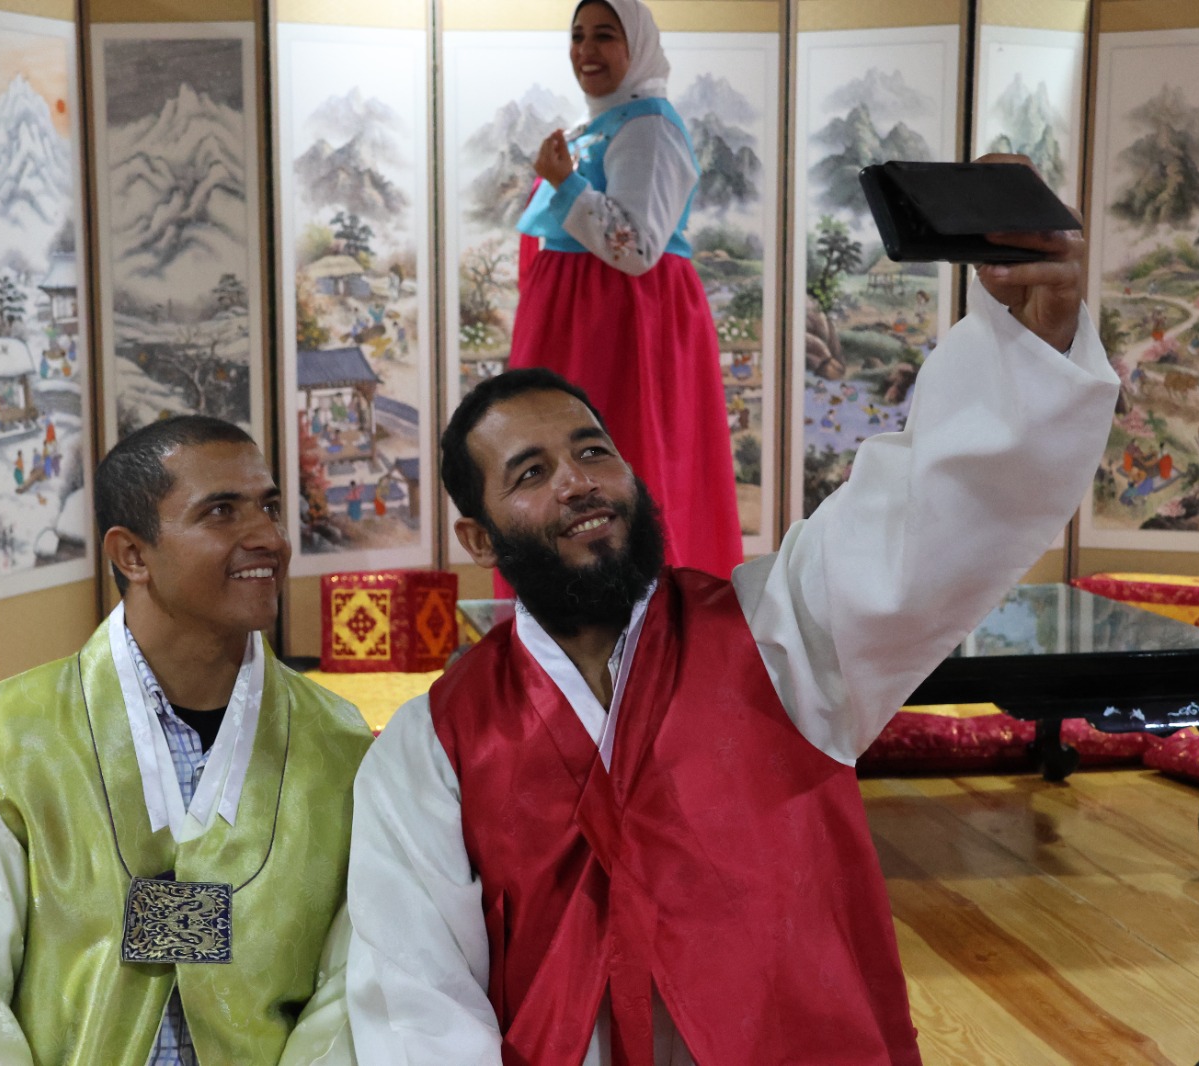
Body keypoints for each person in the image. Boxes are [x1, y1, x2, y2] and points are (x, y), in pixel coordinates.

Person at [344, 214, 1120, 1063]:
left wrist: (1026, 345)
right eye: (530, 473)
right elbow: (419, 1003)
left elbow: (923, 519)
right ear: (479, 541)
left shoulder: (778, 633)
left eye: (593, 451)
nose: (577, 482)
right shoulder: (435, 747)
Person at [0, 415, 370, 1066]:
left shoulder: (339, 745)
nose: (268, 538)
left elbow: (351, 995)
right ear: (132, 554)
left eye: (269, 507)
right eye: (222, 512)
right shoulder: (12, 741)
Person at [508, 0, 742, 582]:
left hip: (622, 331)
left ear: (635, 48)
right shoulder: (600, 124)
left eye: (605, 36)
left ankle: (638, 622)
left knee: (625, 465)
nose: (586, 50)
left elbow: (635, 248)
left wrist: (566, 183)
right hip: (583, 326)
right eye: (578, 35)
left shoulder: (650, 127)